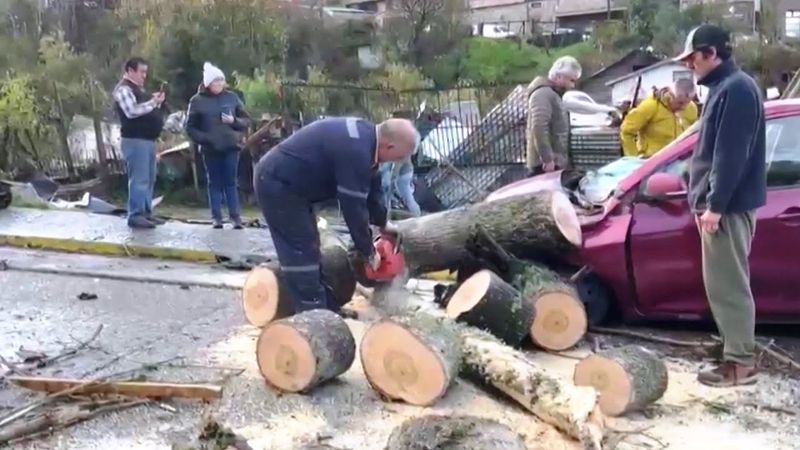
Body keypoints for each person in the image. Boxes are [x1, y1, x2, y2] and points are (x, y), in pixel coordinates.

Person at [674, 24, 766, 387]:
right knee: (720, 284)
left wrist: (715, 206)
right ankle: (733, 348)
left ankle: (740, 364)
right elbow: (709, 150)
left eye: (692, 58)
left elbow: (730, 156)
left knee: (729, 286)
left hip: (726, 209)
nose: (689, 65)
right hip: (721, 207)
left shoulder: (737, 89)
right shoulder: (724, 88)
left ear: (711, 53)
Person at [253, 117, 417, 313]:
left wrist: (383, 223)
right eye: (400, 157)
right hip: (276, 183)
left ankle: (324, 307)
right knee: (300, 250)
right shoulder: (356, 151)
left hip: (296, 189)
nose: (398, 162)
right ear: (389, 146)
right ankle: (313, 313)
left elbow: (373, 190)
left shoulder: (367, 141)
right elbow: (353, 208)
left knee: (311, 245)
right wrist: (368, 251)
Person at [185, 62, 251, 229]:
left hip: (231, 146)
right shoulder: (197, 101)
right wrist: (205, 139)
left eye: (221, 80)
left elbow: (246, 121)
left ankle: (235, 217)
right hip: (210, 148)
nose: (220, 84)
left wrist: (234, 121)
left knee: (231, 182)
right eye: (216, 81)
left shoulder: (232, 98)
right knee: (214, 182)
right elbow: (190, 127)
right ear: (208, 83)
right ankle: (217, 218)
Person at [112, 57, 166, 229]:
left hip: (148, 140)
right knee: (139, 179)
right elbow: (132, 111)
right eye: (141, 71)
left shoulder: (139, 91)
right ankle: (135, 214)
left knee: (149, 178)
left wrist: (155, 103)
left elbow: (145, 109)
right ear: (130, 71)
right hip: (135, 140)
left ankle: (146, 213)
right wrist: (153, 102)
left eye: (145, 72)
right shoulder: (123, 89)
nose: (144, 75)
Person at [525, 56, 582, 176]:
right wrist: (547, 159)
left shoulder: (551, 94)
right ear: (559, 76)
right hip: (545, 165)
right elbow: (539, 126)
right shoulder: (543, 94)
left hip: (553, 162)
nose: (572, 85)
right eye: (571, 80)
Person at [620, 78, 699, 158]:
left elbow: (694, 134)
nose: (683, 107)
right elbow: (626, 131)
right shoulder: (650, 106)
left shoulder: (692, 108)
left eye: (687, 102)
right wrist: (633, 158)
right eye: (680, 103)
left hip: (680, 160)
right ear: (670, 96)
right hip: (652, 160)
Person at [380, 130, 422, 217]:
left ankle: (417, 215)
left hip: (403, 175)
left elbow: (398, 165)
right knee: (399, 196)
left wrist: (393, 176)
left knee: (406, 197)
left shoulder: (404, 149)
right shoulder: (404, 147)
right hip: (404, 173)